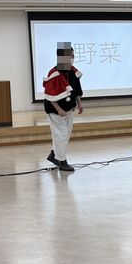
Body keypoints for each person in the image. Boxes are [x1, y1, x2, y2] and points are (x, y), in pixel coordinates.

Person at [43, 42, 83, 171]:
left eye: (73, 56)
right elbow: (50, 95)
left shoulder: (72, 71)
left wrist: (79, 103)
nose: (72, 58)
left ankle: (54, 155)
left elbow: (76, 89)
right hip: (55, 110)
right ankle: (62, 161)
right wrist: (59, 109)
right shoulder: (54, 73)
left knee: (65, 135)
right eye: (70, 56)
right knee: (61, 135)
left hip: (68, 108)